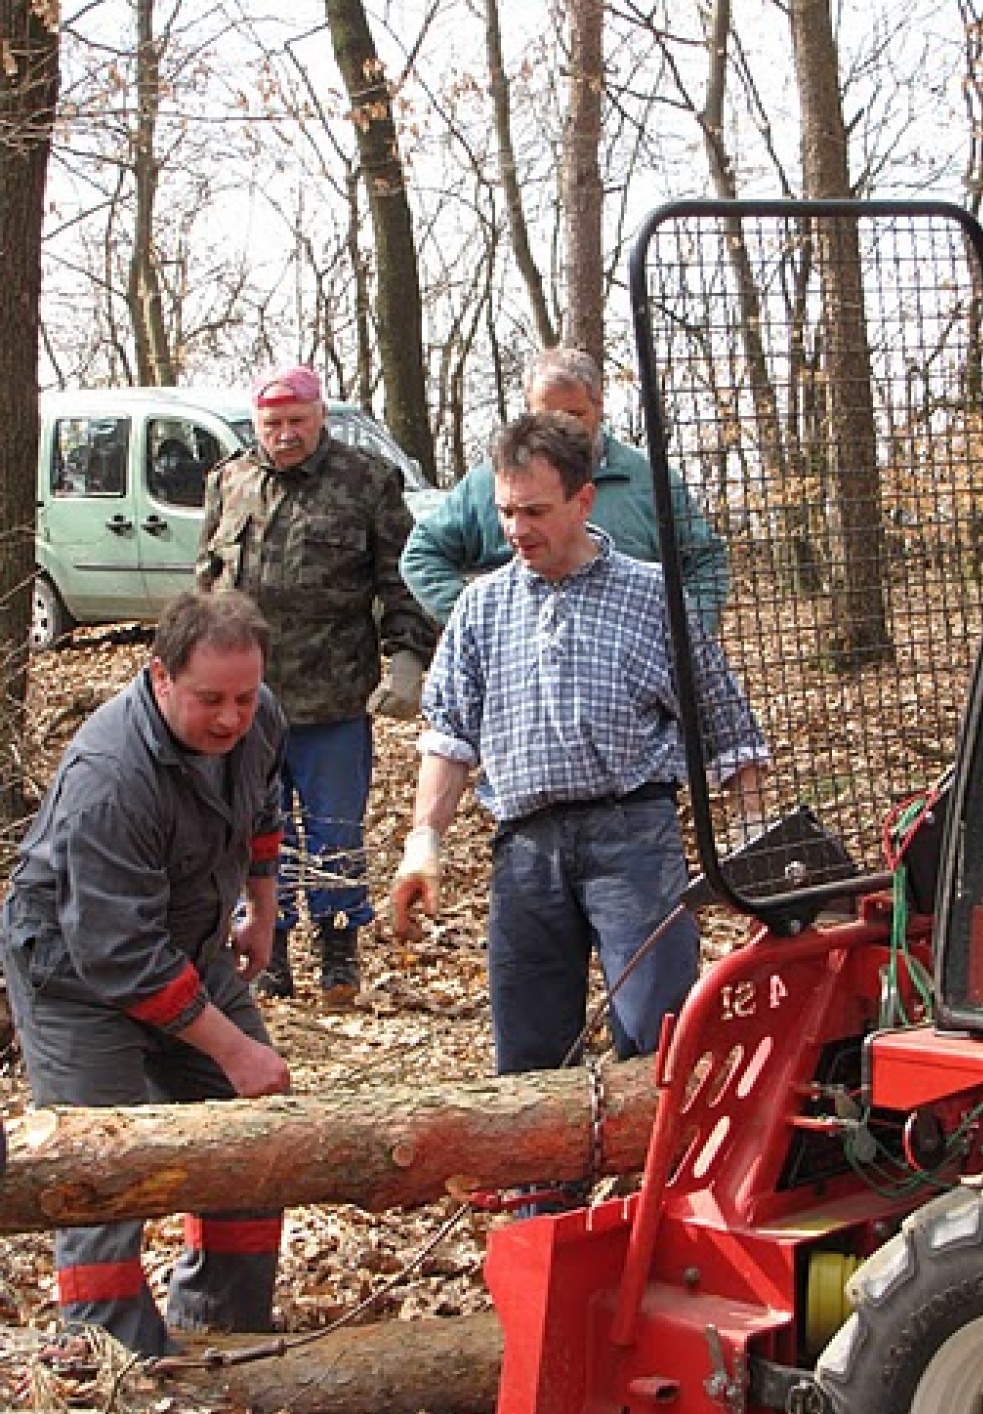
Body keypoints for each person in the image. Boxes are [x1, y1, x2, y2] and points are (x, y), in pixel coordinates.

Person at [392, 411, 768, 1094]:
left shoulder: (654, 598)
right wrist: (424, 843)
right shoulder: (480, 609)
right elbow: (448, 737)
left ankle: (658, 1161)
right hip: (524, 853)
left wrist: (753, 844)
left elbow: (728, 730)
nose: (516, 529)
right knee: (529, 1063)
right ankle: (546, 1169)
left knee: (657, 1044)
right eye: (506, 511)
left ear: (583, 500)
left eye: (535, 510)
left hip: (633, 844)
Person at [2, 591, 290, 1357]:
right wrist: (233, 1049)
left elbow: (262, 804)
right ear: (160, 676)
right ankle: (112, 1365)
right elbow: (120, 955)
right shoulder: (110, 774)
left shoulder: (258, 716)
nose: (231, 718)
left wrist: (261, 907)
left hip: (184, 941)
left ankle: (224, 1327)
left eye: (244, 696)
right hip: (74, 970)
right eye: (210, 700)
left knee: (255, 1129)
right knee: (103, 1164)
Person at [197, 363, 437, 1007]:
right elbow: (206, 584)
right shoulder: (229, 482)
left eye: (297, 421)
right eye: (272, 423)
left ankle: (337, 952)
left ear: (320, 417)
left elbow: (401, 579)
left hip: (334, 698)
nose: (285, 434)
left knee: (334, 832)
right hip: (245, 706)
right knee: (253, 830)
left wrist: (407, 657)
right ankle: (267, 950)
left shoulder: (367, 481)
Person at [399, 345, 729, 632]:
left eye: (574, 413)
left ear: (599, 405)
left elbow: (705, 560)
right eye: (547, 415)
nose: (561, 426)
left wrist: (682, 636)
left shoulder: (649, 479)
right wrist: (479, 623)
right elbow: (422, 554)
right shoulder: (491, 483)